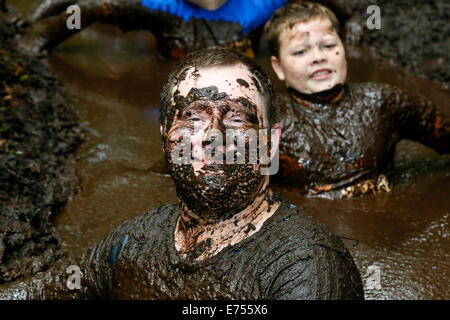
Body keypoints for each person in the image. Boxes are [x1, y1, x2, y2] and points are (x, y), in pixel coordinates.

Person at [0, 48, 363, 299]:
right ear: (165, 138)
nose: (214, 137)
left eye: (237, 118)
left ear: (270, 143)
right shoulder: (132, 243)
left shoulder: (307, 266)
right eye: (193, 118)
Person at [264, 1, 450, 199]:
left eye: (328, 46)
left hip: (380, 214)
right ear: (278, 67)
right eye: (301, 51)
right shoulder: (268, 119)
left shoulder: (382, 102)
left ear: (344, 48)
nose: (318, 57)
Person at [20, 0, 354, 59]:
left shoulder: (260, 3)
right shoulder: (155, 6)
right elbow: (88, 9)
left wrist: (352, 25)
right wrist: (39, 33)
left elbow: (334, 6)